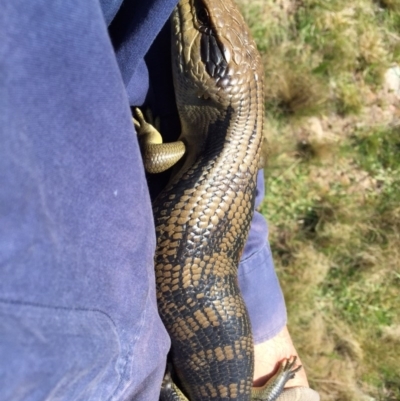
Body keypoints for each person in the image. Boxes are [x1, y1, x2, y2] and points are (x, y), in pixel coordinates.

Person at [0, 1, 319, 400]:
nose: (196, 16)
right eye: (203, 24)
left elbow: (161, 158)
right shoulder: (229, 141)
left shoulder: (219, 141)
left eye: (200, 29)